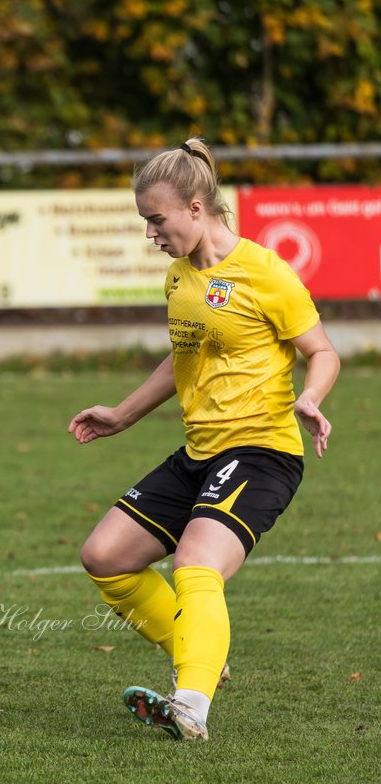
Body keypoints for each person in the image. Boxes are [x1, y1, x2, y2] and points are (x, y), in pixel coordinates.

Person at [67, 138, 339, 742]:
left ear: (195, 207)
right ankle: (202, 652)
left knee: (196, 561)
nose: (150, 234)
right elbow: (182, 357)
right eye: (145, 222)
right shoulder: (178, 278)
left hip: (263, 451)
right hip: (199, 452)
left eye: (155, 220)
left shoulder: (265, 272)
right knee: (106, 557)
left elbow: (321, 351)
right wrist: (123, 414)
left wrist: (311, 398)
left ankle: (191, 701)